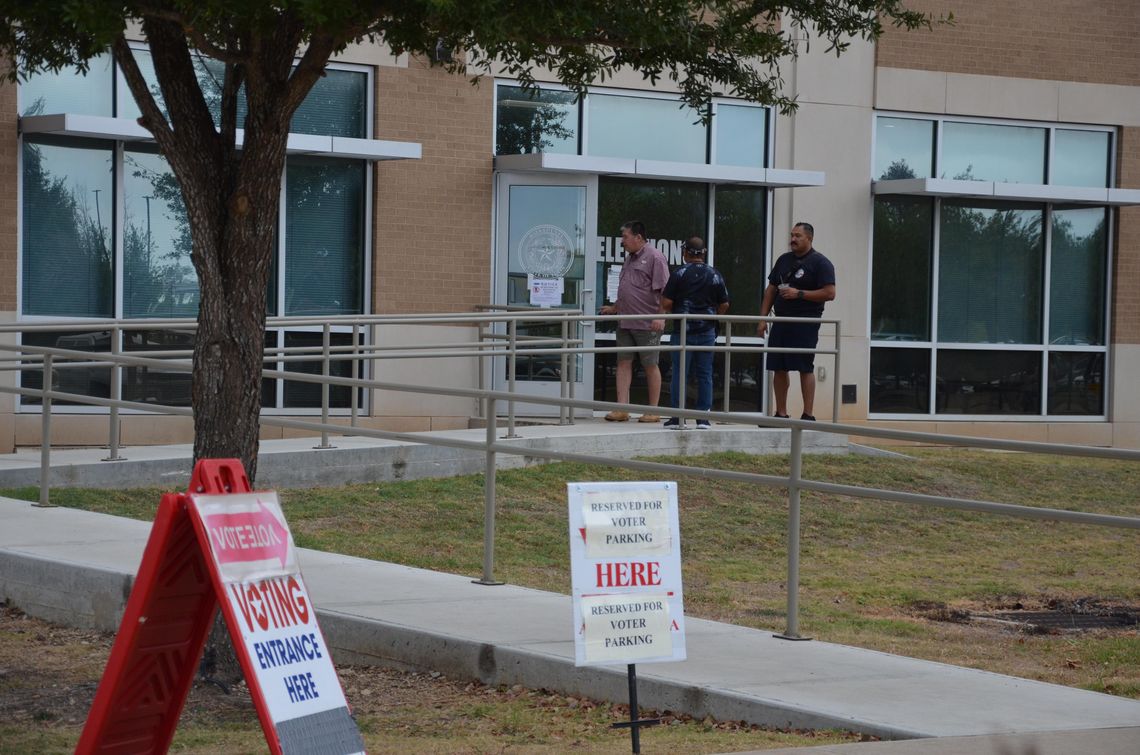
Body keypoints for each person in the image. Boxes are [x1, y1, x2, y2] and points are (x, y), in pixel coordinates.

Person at [756, 222, 836, 421]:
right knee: (778, 366)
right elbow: (771, 290)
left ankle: (808, 414)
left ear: (809, 238)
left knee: (804, 366)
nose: (793, 239)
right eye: (792, 235)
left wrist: (799, 293)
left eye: (798, 236)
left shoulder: (821, 263)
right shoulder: (783, 260)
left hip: (805, 322)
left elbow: (830, 293)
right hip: (781, 320)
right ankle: (780, 413)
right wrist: (763, 318)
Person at [599, 221, 669, 422]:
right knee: (623, 363)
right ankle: (622, 409)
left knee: (650, 365)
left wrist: (660, 316)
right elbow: (628, 289)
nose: (623, 242)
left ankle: (653, 410)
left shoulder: (655, 257)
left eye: (626, 237)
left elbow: (666, 290)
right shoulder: (629, 259)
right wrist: (614, 309)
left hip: (647, 323)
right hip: (625, 321)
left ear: (639, 237)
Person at [661, 236, 730, 429]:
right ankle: (703, 419)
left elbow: (666, 303)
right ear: (704, 253)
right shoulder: (714, 274)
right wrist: (712, 316)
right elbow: (724, 303)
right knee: (705, 374)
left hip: (683, 331)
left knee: (679, 374)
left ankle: (677, 417)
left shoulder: (679, 273)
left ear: (685, 253)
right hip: (707, 331)